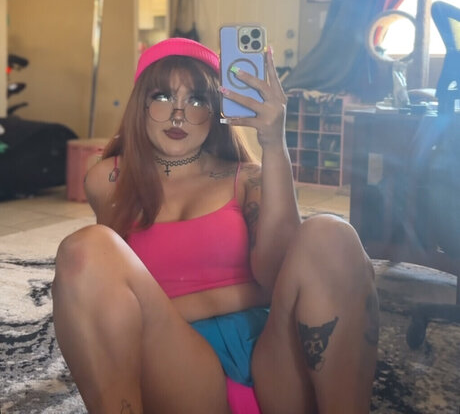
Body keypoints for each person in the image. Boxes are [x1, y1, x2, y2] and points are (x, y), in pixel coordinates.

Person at [52, 37, 379, 414]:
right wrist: (235, 296)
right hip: (177, 372)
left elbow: (277, 279)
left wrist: (274, 143)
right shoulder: (109, 179)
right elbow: (105, 297)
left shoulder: (248, 178)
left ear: (217, 109)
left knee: (332, 234)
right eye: (162, 96)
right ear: (139, 105)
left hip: (272, 368)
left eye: (197, 100)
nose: (178, 114)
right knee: (85, 249)